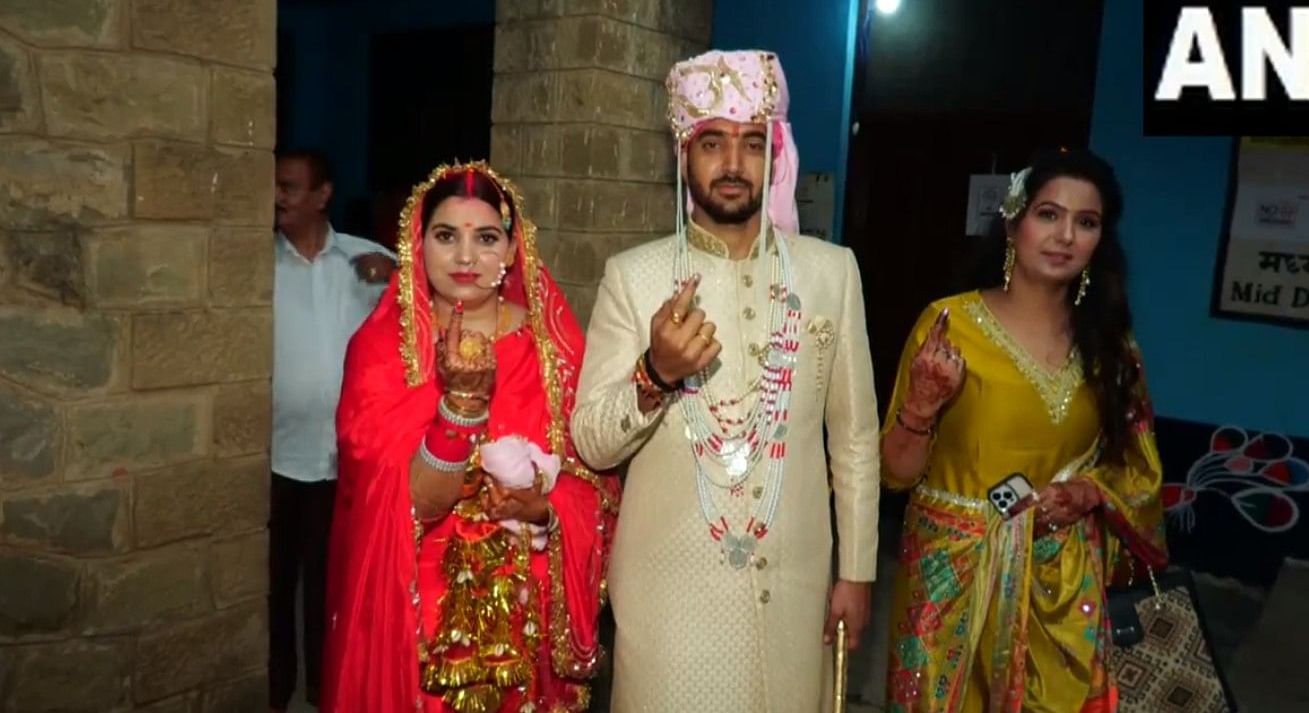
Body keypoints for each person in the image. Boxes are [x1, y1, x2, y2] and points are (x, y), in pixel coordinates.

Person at [571, 49, 881, 712]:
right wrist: (655, 374)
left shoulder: (831, 273)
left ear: (776, 152)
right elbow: (591, 441)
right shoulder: (634, 276)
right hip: (668, 590)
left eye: (751, 143)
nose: (733, 164)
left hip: (796, 585)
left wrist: (856, 569)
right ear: (683, 154)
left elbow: (854, 438)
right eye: (711, 142)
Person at [321, 162, 618, 713]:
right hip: (417, 610)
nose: (464, 258)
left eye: (485, 238)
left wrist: (545, 511)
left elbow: (596, 484)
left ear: (511, 250)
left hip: (529, 601)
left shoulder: (550, 347)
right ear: (418, 243)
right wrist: (460, 409)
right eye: (445, 236)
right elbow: (403, 502)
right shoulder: (382, 350)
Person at [879, 149, 1168, 712]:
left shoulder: (1110, 345)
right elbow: (895, 472)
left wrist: (1087, 493)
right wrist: (921, 404)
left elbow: (1138, 467)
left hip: (1061, 590)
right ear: (1013, 224)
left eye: (1086, 223)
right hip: (951, 582)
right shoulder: (950, 325)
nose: (1064, 235)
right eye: (1048, 215)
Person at [270, 147, 396, 711]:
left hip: (343, 459)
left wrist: (394, 277)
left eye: (289, 187)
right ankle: (275, 690)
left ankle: (324, 691)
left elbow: (430, 303)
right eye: (275, 187)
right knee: (273, 586)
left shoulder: (367, 259)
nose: (278, 197)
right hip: (275, 454)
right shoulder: (255, 263)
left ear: (322, 195)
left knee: (331, 583)